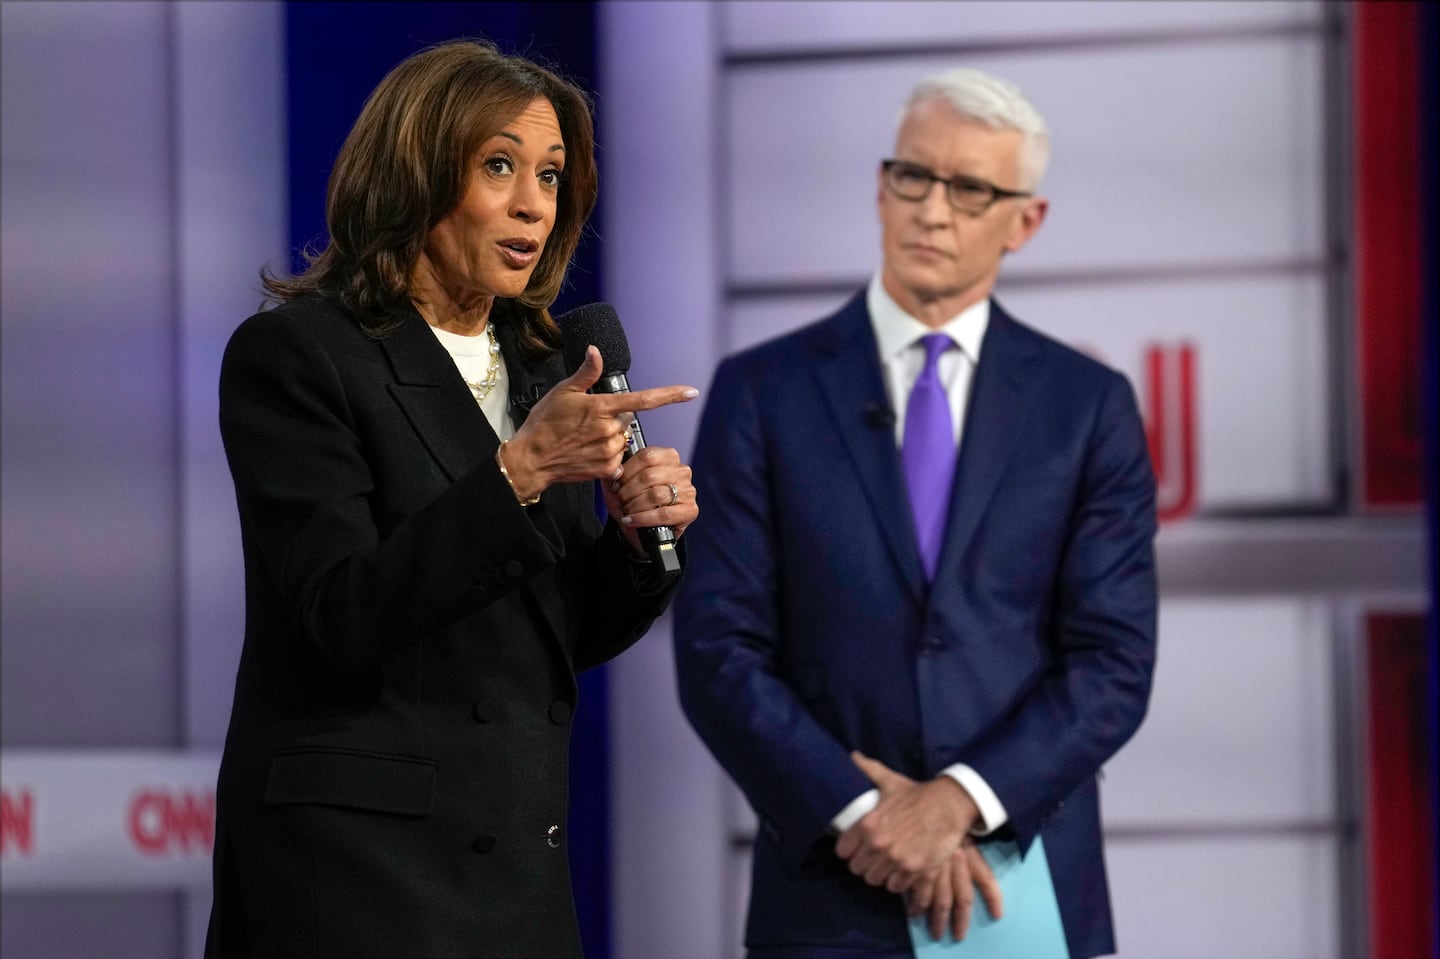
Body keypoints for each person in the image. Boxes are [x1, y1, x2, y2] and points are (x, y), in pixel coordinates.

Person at [205, 39, 699, 958]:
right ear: (416, 174)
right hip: (359, 871)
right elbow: (339, 612)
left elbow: (535, 637)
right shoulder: (300, 357)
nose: (532, 206)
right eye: (500, 166)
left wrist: (635, 545)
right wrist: (516, 474)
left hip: (517, 866)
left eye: (551, 177)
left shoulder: (543, 364)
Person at [674, 67, 1156, 959]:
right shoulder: (762, 393)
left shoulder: (1087, 405)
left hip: (1020, 888)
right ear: (880, 187)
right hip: (828, 890)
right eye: (913, 177)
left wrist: (956, 804)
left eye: (970, 189)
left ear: (1026, 221)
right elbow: (717, 648)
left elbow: (1114, 664)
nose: (933, 210)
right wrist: (870, 814)